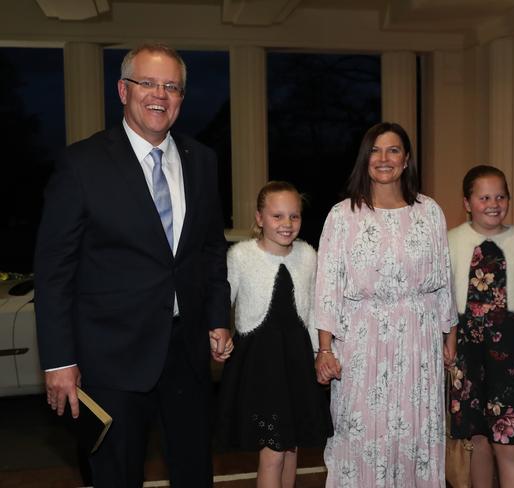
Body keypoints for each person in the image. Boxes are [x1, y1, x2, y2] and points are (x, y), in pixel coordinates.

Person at [34, 43, 232, 488]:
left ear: (181, 97)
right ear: (123, 90)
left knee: (195, 472)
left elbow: (210, 249)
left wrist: (218, 316)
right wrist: (59, 361)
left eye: (171, 86)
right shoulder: (81, 164)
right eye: (148, 83)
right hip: (110, 361)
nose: (159, 94)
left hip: (188, 355)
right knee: (116, 477)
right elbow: (53, 272)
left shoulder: (203, 160)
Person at [314, 122, 457, 487]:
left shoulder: (430, 212)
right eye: (375, 151)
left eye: (393, 150)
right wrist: (324, 348)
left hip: (418, 344)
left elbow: (444, 279)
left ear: (406, 160)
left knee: (415, 431)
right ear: (365, 159)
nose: (384, 158)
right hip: (362, 343)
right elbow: (327, 286)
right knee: (360, 434)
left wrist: (449, 336)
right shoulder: (342, 215)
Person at [216, 181, 332, 488]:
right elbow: (221, 302)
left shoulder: (308, 255)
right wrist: (220, 335)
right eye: (277, 216)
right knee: (273, 451)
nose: (287, 224)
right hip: (259, 364)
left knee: (290, 446)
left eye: (294, 216)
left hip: (296, 362)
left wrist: (322, 352)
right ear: (259, 218)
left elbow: (317, 309)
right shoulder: (240, 256)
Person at [447, 165, 514, 488]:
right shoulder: (449, 242)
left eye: (500, 196)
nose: (493, 203)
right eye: (484, 197)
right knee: (477, 441)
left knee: (510, 445)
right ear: (467, 202)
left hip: (513, 358)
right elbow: (440, 303)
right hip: (466, 357)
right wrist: (445, 342)